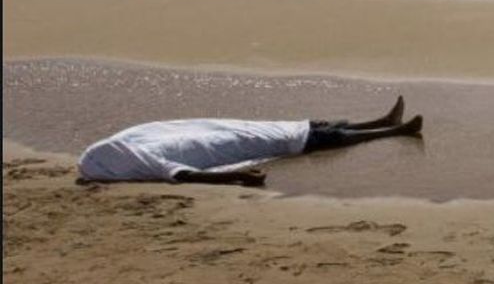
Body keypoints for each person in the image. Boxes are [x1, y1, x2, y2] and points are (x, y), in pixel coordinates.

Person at [78, 97, 422, 187]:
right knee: (313, 138)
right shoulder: (134, 160)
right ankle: (394, 131)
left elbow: (174, 165)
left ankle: (380, 122)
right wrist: (236, 177)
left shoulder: (113, 153)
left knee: (305, 127)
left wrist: (237, 177)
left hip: (209, 135)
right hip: (217, 146)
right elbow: (180, 174)